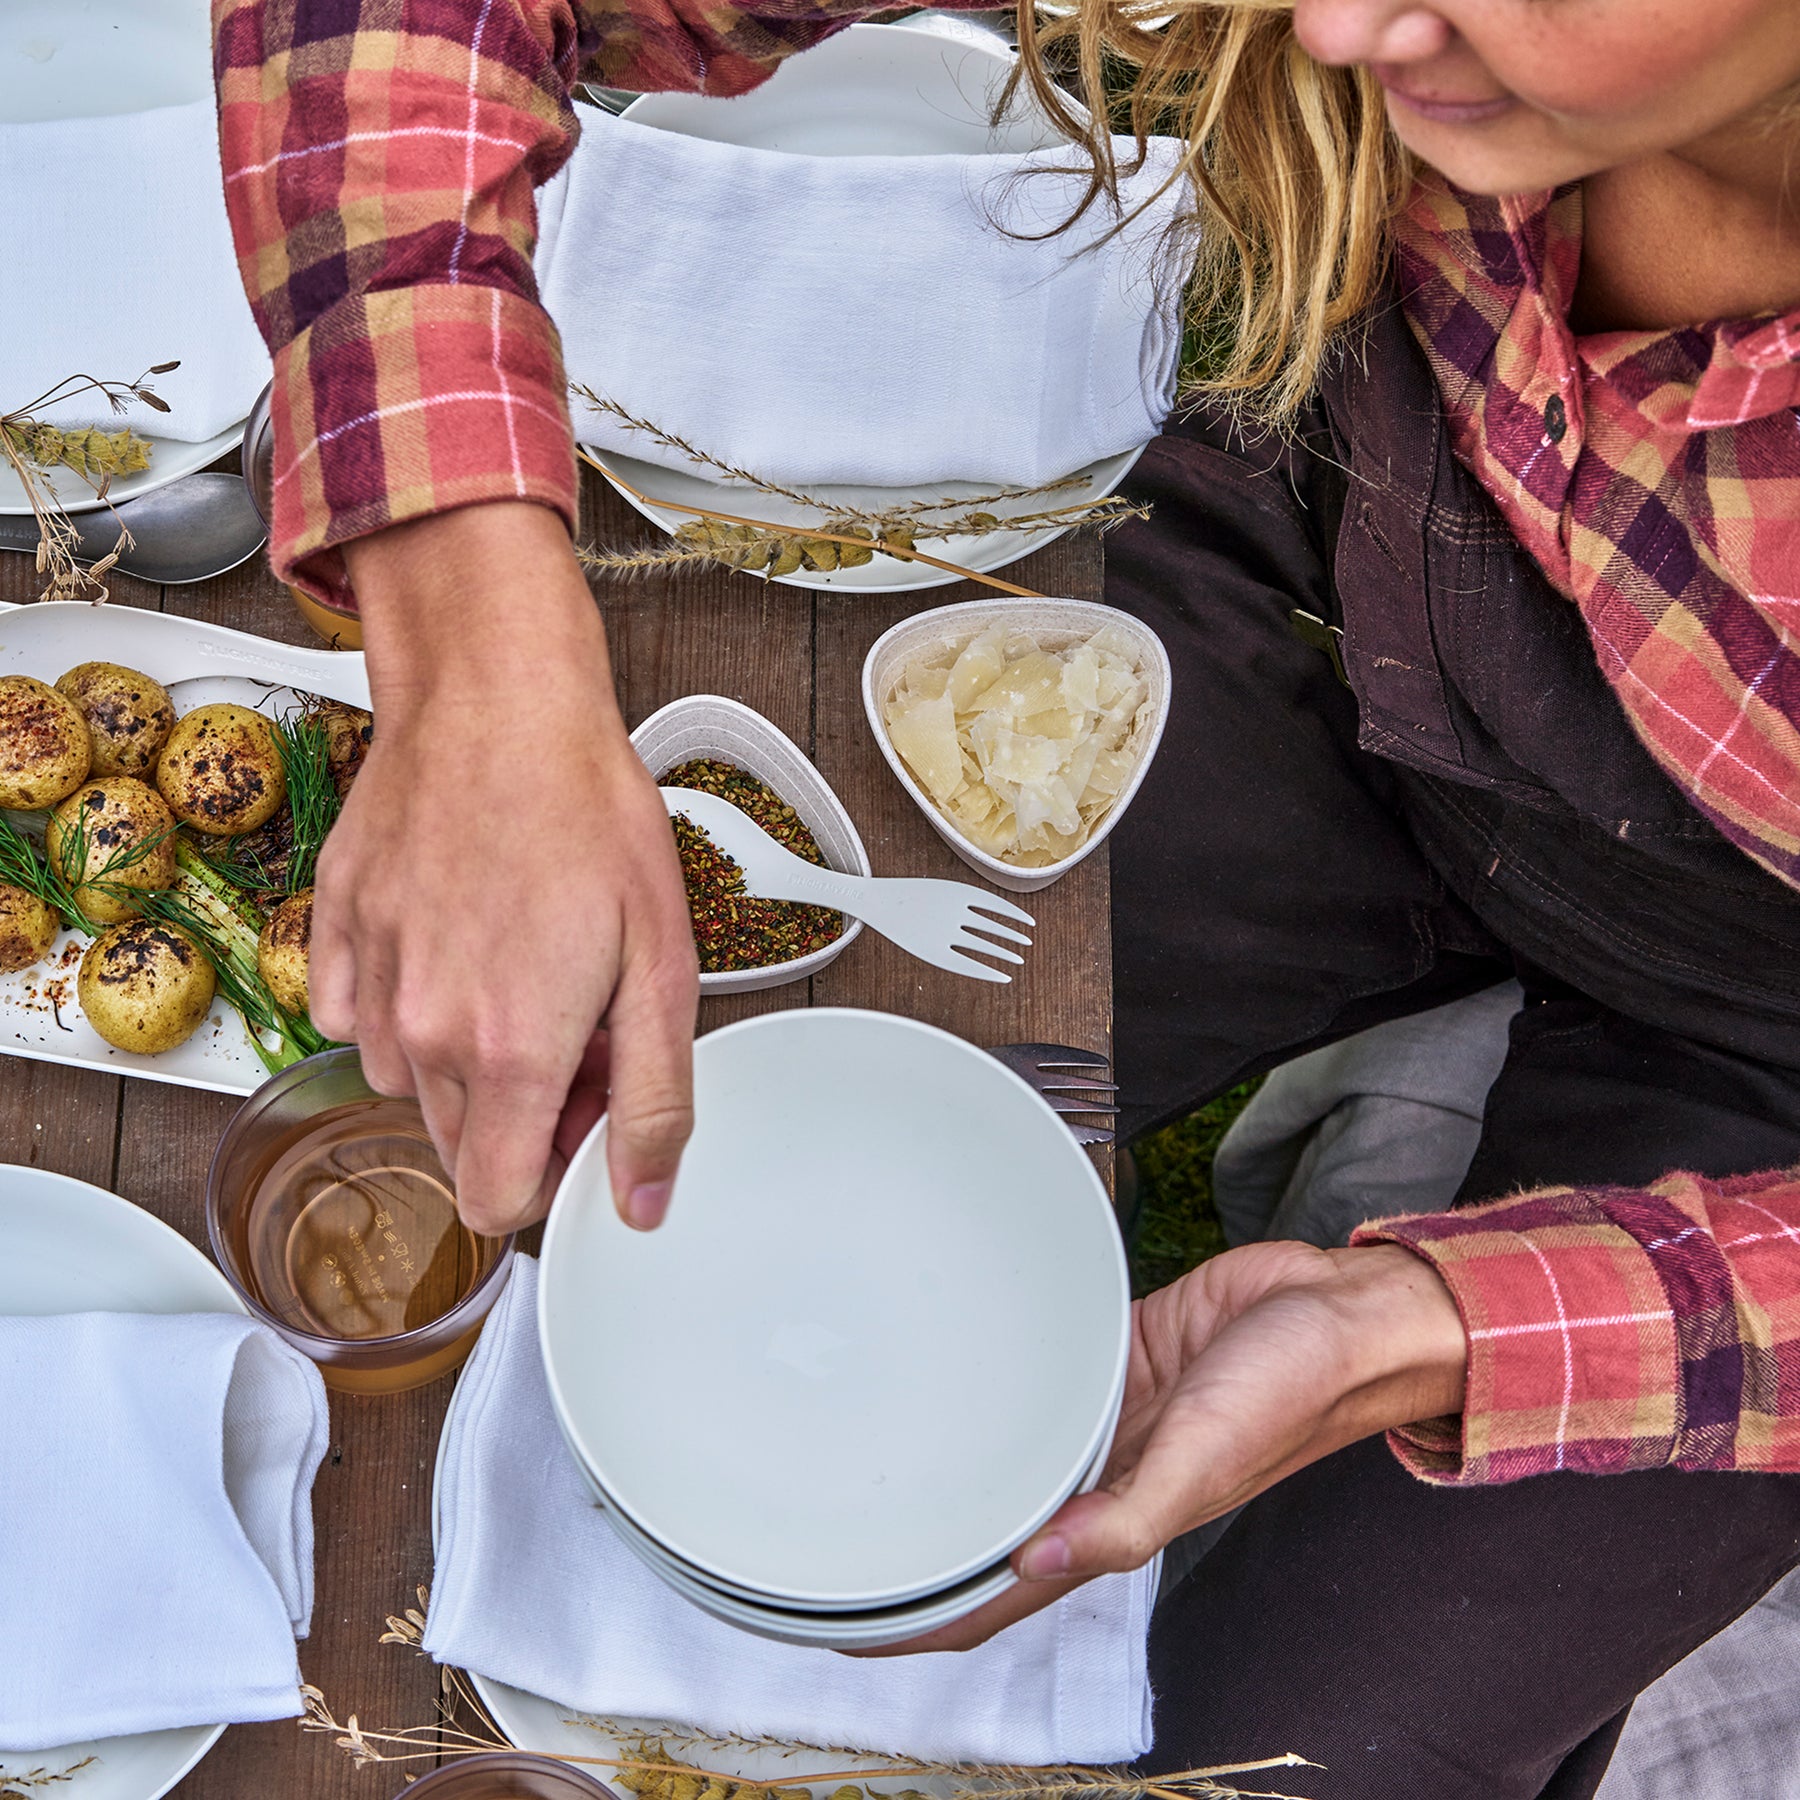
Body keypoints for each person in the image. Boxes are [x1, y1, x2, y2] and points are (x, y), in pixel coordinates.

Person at [216, 0, 1800, 1793]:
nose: (1339, 25)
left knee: (1300, 1762)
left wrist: (1426, 1335)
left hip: (1758, 1043)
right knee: (799, 1079)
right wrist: (478, 662)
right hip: (1345, 617)